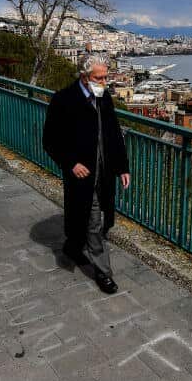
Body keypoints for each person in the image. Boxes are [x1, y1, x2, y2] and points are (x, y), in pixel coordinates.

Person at [43, 54, 131, 294]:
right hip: (81, 174)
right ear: (84, 76)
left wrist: (122, 167)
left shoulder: (104, 98)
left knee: (88, 215)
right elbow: (50, 140)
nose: (103, 82)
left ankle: (73, 247)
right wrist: (71, 163)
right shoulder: (63, 100)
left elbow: (113, 134)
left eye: (105, 78)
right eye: (98, 78)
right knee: (93, 220)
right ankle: (104, 273)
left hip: (104, 171)